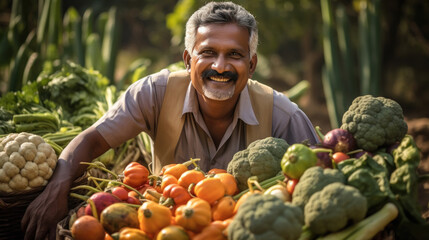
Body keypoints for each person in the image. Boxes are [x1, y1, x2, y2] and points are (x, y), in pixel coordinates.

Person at [21, 1, 319, 239]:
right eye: (208, 52)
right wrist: (57, 187)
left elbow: (319, 173)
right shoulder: (155, 94)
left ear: (251, 65)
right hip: (161, 229)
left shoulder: (281, 115)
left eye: (235, 55)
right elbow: (92, 140)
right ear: (188, 60)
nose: (220, 66)